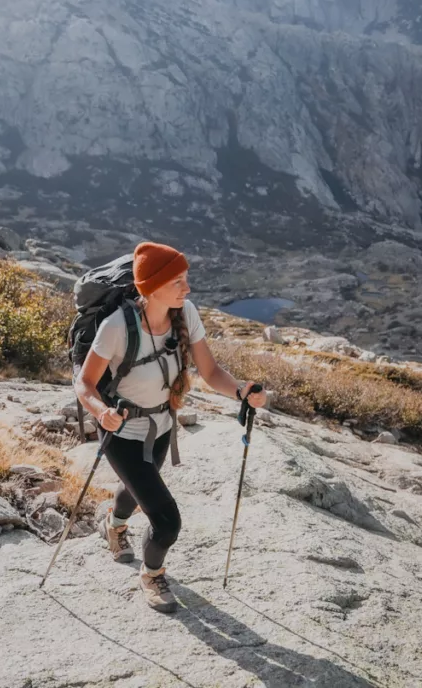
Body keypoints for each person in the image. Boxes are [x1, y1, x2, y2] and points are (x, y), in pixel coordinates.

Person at [75, 240, 267, 613]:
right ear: (152, 286)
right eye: (178, 281)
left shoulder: (186, 313)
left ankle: (113, 527)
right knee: (166, 521)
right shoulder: (117, 327)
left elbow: (211, 372)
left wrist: (241, 391)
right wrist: (101, 412)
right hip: (121, 431)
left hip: (162, 426)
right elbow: (85, 383)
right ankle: (152, 575)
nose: (187, 288)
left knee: (135, 490)